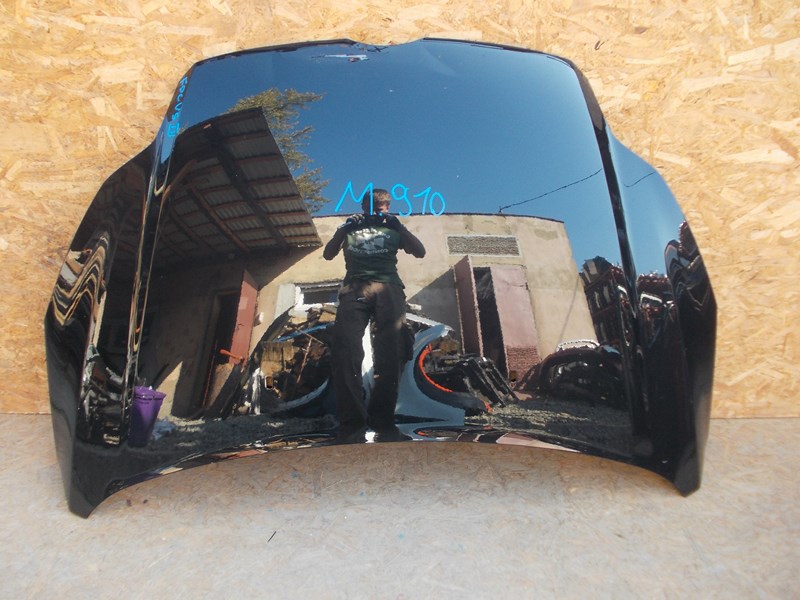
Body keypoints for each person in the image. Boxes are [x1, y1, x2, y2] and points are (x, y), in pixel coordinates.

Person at [323, 188, 426, 443]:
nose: (377, 213)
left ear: (388, 207)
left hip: (388, 287)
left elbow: (420, 251)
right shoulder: (351, 227)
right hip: (354, 289)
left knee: (392, 352)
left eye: (382, 209)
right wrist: (343, 229)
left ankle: (384, 425)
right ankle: (352, 428)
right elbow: (328, 254)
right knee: (345, 351)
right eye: (372, 209)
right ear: (363, 207)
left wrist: (399, 227)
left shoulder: (393, 227)